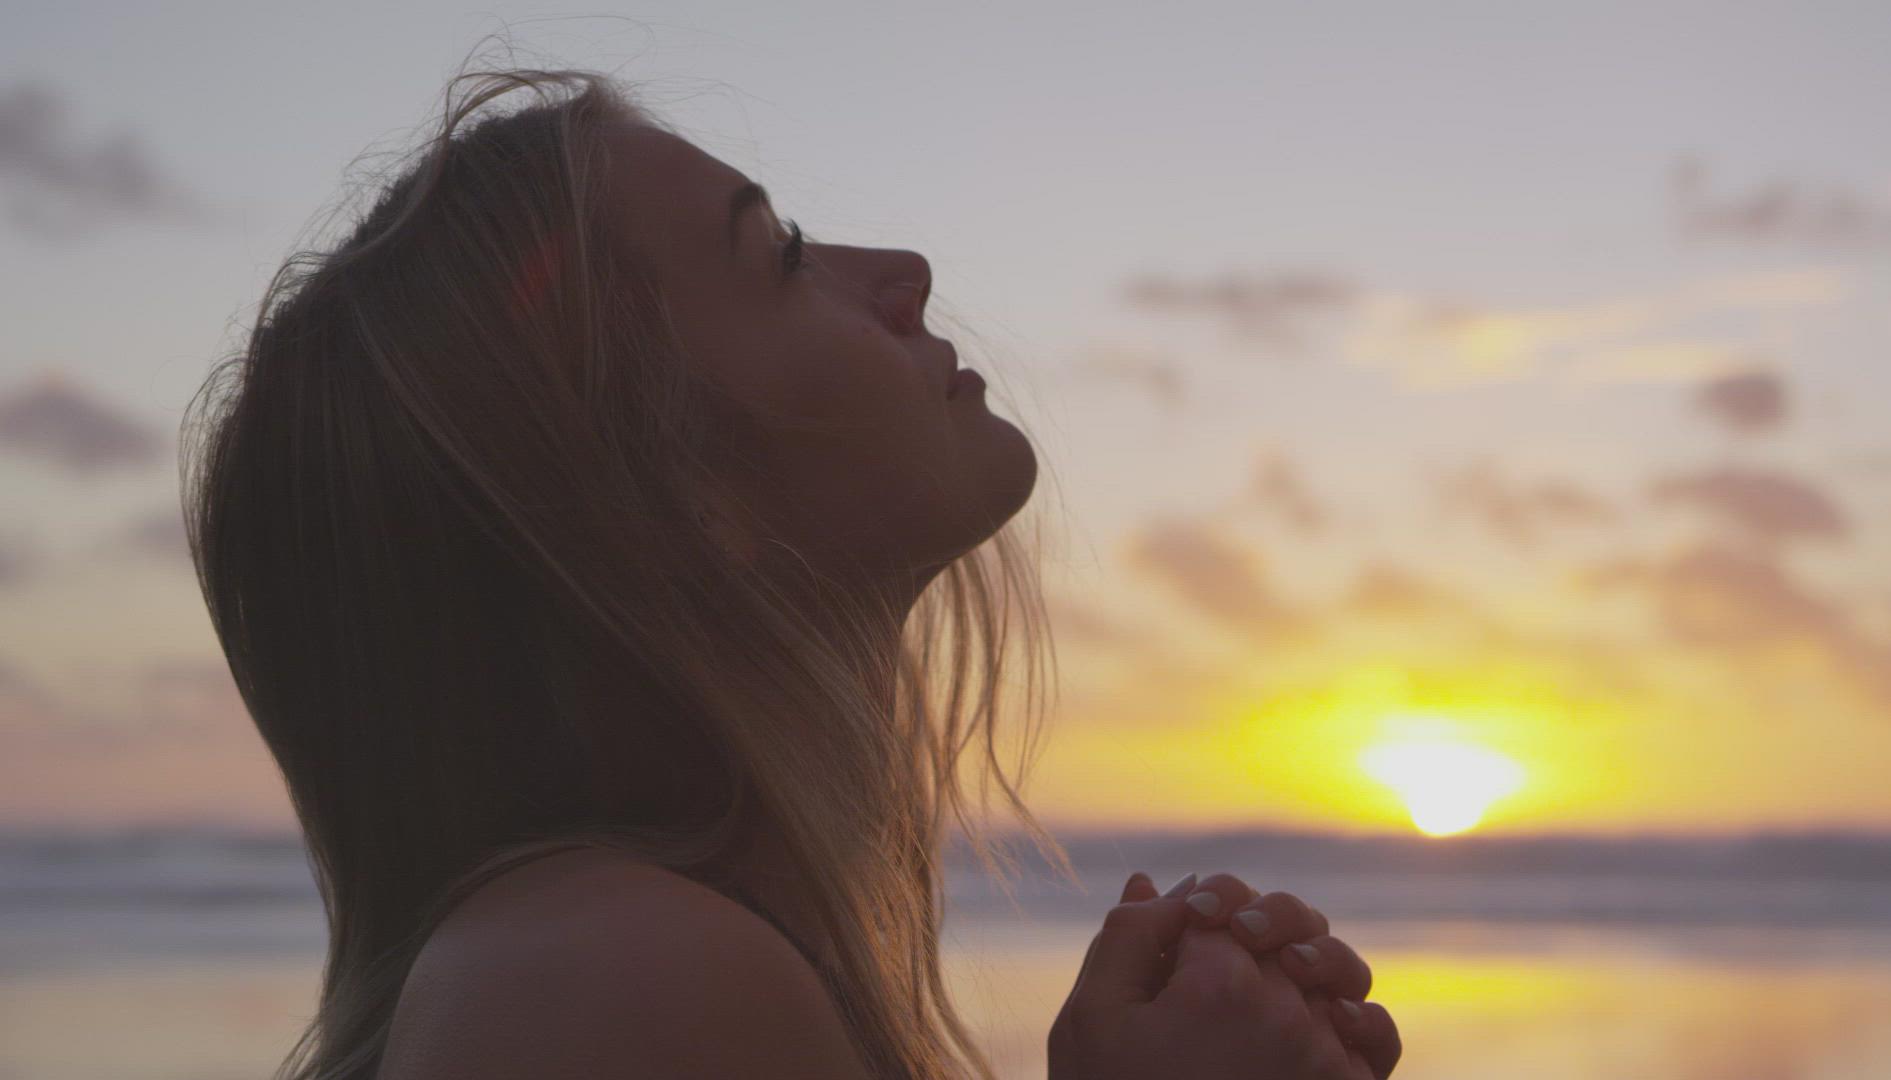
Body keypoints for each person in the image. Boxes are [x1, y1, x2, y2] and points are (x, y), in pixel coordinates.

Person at [182, 65, 1400, 1079]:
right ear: (661, 498)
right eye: (785, 254)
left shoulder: (606, 965)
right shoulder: (611, 979)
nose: (905, 269)